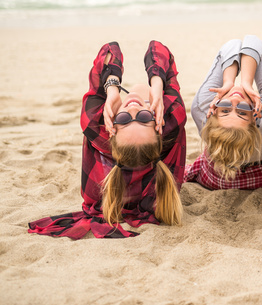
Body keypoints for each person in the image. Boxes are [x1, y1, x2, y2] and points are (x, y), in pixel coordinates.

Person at [28, 41, 186, 239]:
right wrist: (157, 86)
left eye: (123, 119)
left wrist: (112, 89)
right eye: (145, 118)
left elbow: (110, 49)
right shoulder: (169, 121)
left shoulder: (97, 123)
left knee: (138, 89)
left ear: (110, 131)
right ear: (159, 128)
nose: (133, 109)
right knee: (140, 89)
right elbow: (158, 48)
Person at [185, 35, 262, 189]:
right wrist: (246, 82)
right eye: (243, 111)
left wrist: (228, 82)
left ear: (213, 115)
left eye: (225, 110)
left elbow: (232, 45)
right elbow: (254, 42)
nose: (235, 100)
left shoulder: (202, 112)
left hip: (214, 179)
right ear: (255, 120)